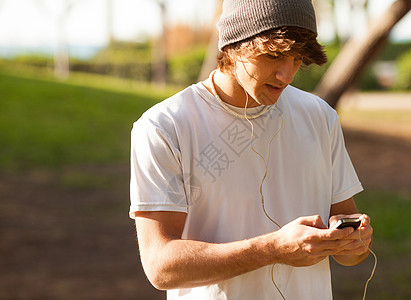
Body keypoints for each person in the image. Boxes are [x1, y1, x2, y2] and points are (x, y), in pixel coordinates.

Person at [129, 0, 373, 299]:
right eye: (273, 55)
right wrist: (273, 249)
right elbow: (161, 266)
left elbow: (352, 250)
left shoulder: (319, 116)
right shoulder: (165, 126)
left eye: (297, 58)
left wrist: (352, 243)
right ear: (232, 45)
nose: (288, 74)